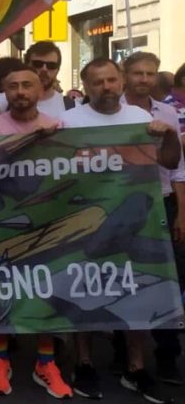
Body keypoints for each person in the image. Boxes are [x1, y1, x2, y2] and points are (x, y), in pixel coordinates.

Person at [59, 58, 181, 404]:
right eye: (98, 82)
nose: (107, 87)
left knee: (135, 287)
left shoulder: (141, 119)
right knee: (83, 288)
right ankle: (83, 363)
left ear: (121, 81)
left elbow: (170, 163)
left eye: (111, 80)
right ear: (86, 86)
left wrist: (170, 134)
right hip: (87, 219)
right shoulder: (69, 121)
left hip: (134, 219)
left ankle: (136, 367)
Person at [0, 63, 72, 399]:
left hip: (47, 216)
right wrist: (32, 139)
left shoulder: (57, 125)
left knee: (45, 287)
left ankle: (45, 361)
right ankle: (0, 358)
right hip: (2, 218)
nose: (20, 92)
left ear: (39, 90)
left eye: (26, 85)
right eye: (13, 86)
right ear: (5, 91)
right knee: (3, 290)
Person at [120, 52, 185, 387]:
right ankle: (124, 351)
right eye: (137, 73)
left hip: (161, 203)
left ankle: (167, 355)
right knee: (124, 278)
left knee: (167, 280)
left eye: (149, 73)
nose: (143, 79)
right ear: (124, 75)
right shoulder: (108, 110)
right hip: (119, 204)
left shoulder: (169, 113)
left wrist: (182, 213)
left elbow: (178, 168)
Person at [0, 41, 76, 121]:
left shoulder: (71, 107)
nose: (44, 70)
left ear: (57, 70)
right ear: (26, 65)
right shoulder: (10, 98)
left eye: (51, 66)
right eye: (38, 64)